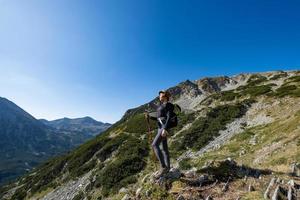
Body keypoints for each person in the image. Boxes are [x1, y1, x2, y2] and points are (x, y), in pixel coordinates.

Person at [145, 90, 175, 178]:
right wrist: (149, 116)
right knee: (165, 148)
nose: (160, 97)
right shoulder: (161, 106)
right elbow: (159, 118)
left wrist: (165, 129)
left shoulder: (169, 105)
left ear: (166, 97)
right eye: (159, 96)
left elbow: (169, 117)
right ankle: (168, 168)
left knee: (154, 144)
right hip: (160, 128)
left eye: (162, 96)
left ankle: (163, 167)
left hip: (164, 128)